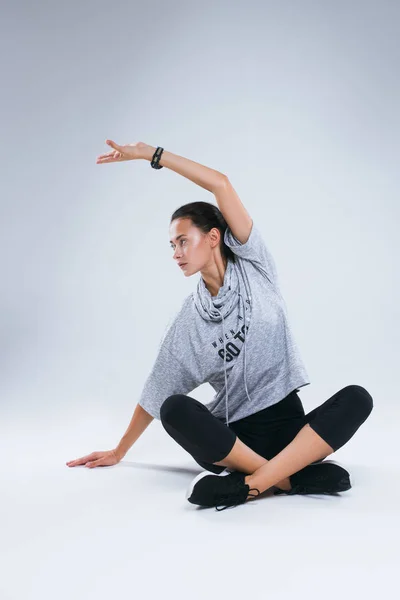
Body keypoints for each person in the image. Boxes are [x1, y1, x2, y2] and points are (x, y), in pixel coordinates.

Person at [66, 140, 374, 511]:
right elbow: (155, 391)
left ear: (213, 238)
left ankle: (253, 486)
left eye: (183, 241)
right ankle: (289, 478)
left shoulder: (255, 265)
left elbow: (220, 184)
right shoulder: (188, 321)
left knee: (358, 398)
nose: (176, 253)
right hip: (233, 443)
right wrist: (119, 450)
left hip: (292, 429)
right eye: (171, 245)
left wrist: (152, 155)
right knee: (175, 409)